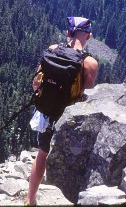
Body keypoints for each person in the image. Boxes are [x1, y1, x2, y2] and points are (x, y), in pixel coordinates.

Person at [25, 16, 98, 206]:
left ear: (68, 33)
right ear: (88, 36)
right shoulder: (89, 63)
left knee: (42, 153)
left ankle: (30, 199)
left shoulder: (52, 51)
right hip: (71, 117)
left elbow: (36, 83)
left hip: (48, 111)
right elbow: (88, 94)